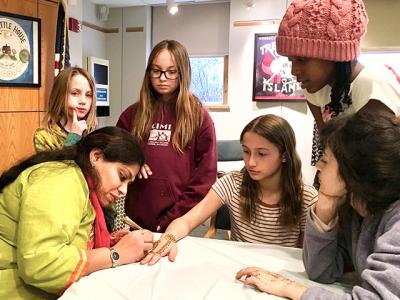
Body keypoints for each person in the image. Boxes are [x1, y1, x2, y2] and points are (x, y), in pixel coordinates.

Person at [236, 111, 400, 299]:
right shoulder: (355, 209)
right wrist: (324, 208)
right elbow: (322, 272)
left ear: (354, 171)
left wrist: (290, 289)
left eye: (326, 160)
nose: (318, 166)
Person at [141, 114, 318, 265]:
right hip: (238, 271)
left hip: (279, 276)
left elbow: (304, 258)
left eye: (262, 154)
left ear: (284, 156)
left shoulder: (307, 198)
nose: (251, 162)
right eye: (246, 151)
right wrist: (170, 237)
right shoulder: (233, 183)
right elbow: (187, 221)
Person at [0, 127, 154, 299]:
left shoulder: (81, 183)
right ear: (96, 157)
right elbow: (40, 265)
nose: (124, 190)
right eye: (122, 176)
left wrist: (110, 242)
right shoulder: (60, 181)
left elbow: (66, 235)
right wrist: (116, 254)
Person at [275, 0, 400, 187]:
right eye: (291, 60)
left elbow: (375, 165)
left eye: (302, 59)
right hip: (344, 182)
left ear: (333, 54)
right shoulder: (316, 90)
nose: (294, 71)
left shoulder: (372, 85)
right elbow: (330, 147)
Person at [116, 39, 217, 232]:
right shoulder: (131, 115)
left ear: (183, 74)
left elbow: (204, 179)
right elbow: (113, 159)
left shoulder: (199, 118)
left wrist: (174, 219)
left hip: (179, 223)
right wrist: (133, 162)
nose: (163, 78)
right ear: (149, 73)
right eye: (156, 71)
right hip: (135, 221)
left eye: (171, 72)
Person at [33, 67, 97, 152]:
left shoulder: (93, 133)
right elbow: (56, 165)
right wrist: (74, 137)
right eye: (75, 93)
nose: (83, 101)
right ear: (59, 95)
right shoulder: (44, 136)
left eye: (88, 95)